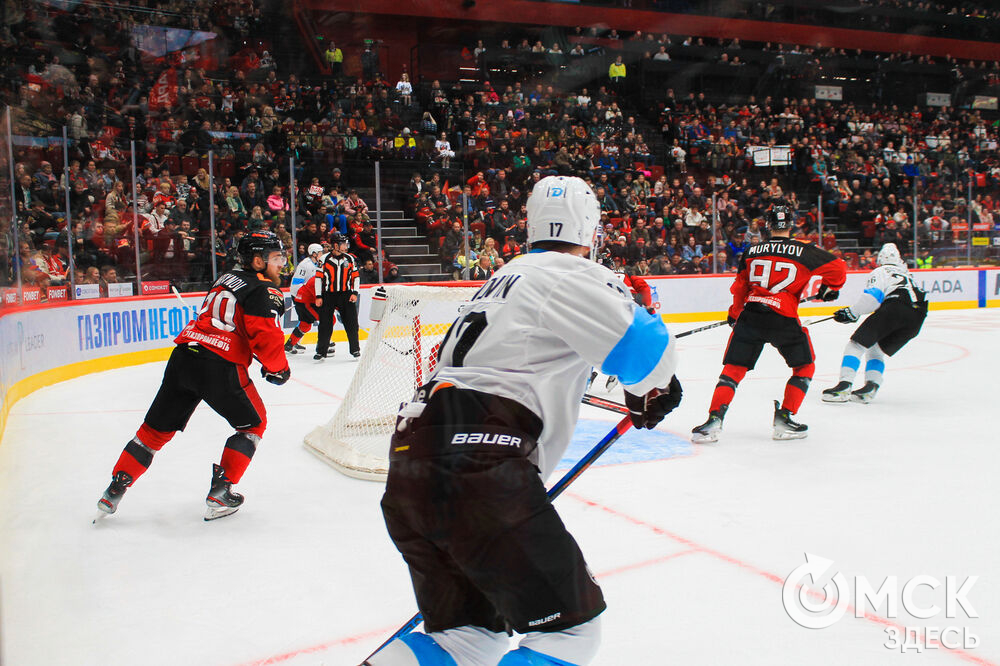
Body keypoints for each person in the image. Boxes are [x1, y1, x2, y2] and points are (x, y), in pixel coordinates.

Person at [369, 176, 682, 666]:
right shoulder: (569, 272)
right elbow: (648, 354)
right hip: (479, 460)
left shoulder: (502, 279)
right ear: (591, 228)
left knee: (467, 638)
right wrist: (651, 390)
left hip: (414, 459)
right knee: (570, 634)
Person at [95, 231, 290, 522]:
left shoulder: (226, 278)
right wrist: (278, 368)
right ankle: (221, 492)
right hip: (219, 365)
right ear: (258, 261)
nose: (281, 265)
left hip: (185, 356)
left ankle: (114, 490)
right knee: (254, 424)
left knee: (152, 433)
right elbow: (265, 334)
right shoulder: (265, 289)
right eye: (276, 258)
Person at [691, 205, 846, 443]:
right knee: (804, 367)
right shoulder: (805, 250)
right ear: (791, 224)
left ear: (768, 225)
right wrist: (830, 288)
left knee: (732, 371)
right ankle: (785, 417)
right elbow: (838, 268)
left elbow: (740, 286)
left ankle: (713, 421)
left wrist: (735, 313)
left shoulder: (753, 250)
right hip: (783, 317)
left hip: (751, 313)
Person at [822, 243, 927, 404]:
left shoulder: (881, 271)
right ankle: (870, 388)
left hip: (896, 307)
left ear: (880, 259)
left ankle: (844, 386)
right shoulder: (907, 274)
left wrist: (852, 312)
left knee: (856, 345)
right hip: (918, 316)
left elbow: (872, 299)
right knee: (875, 349)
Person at [314, 232, 360, 360]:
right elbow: (318, 279)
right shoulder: (323, 259)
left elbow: (356, 277)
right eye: (343, 244)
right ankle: (321, 351)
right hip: (328, 295)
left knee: (351, 323)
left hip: (346, 294)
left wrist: (355, 293)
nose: (346, 246)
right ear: (335, 245)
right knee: (325, 324)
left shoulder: (350, 259)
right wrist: (318, 296)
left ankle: (355, 349)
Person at [285, 243, 327, 354]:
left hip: (310, 295)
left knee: (305, 322)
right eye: (320, 252)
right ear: (314, 253)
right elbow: (296, 282)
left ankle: (291, 344)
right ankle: (325, 341)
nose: (322, 254)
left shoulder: (319, 263)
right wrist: (301, 297)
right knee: (319, 319)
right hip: (302, 297)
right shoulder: (305, 265)